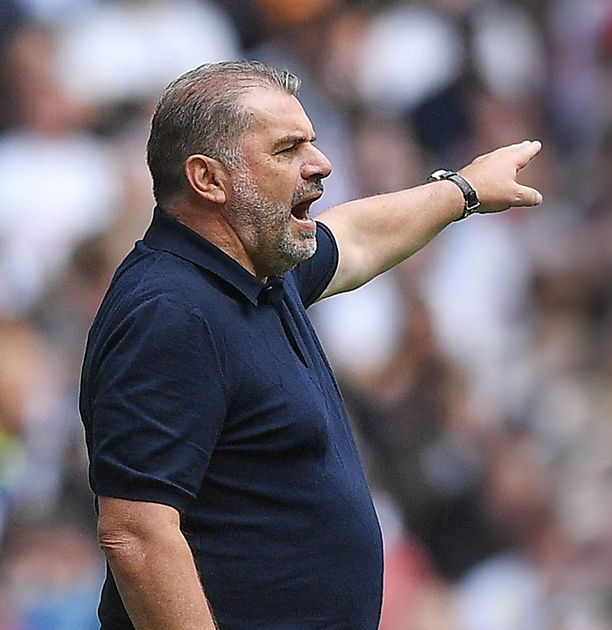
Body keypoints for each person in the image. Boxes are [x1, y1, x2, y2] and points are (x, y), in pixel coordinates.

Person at [78, 61, 542, 629]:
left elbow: (356, 236)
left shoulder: (255, 271)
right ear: (209, 179)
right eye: (286, 149)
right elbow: (136, 532)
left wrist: (465, 190)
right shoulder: (171, 312)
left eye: (313, 143)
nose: (321, 165)